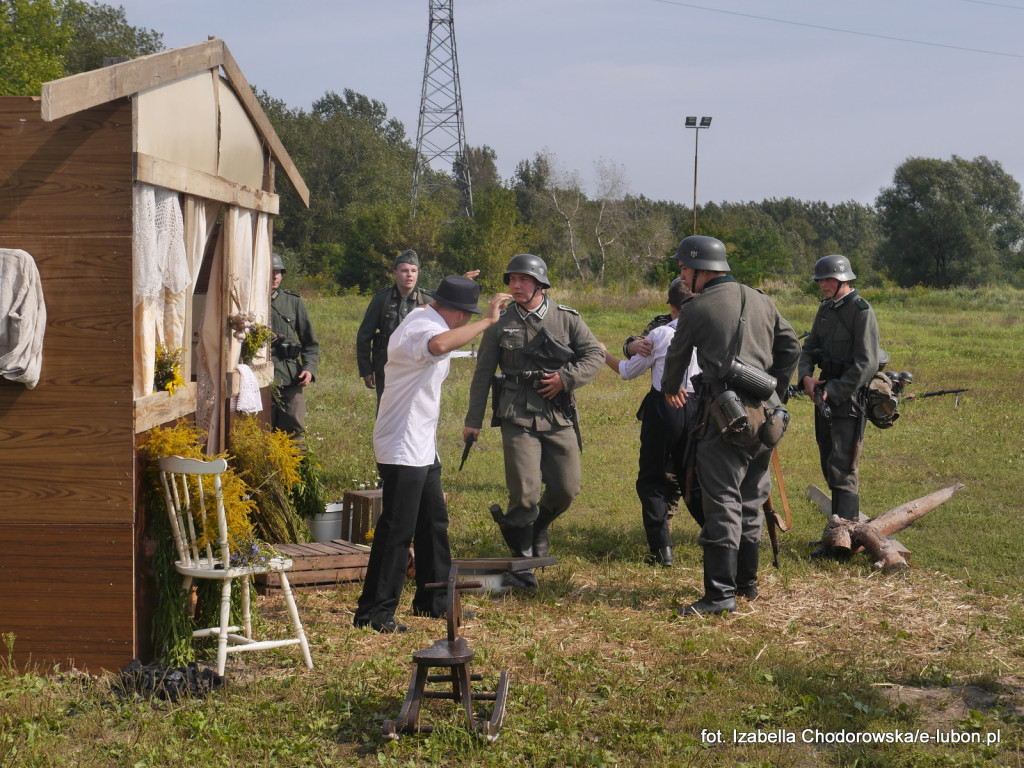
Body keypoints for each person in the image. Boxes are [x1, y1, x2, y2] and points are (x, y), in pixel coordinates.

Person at [354, 276, 511, 633]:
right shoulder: (423, 327)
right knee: (397, 529)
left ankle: (434, 600)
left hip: (421, 444)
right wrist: (487, 321)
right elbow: (438, 346)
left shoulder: (427, 315)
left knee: (433, 523)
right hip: (401, 444)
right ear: (457, 312)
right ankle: (373, 613)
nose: (465, 322)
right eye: (466, 316)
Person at [662, 235, 800, 615]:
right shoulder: (762, 299)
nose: (683, 276)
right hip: (768, 418)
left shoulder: (696, 308)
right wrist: (776, 391)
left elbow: (676, 359)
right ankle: (747, 586)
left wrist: (671, 389)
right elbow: (791, 347)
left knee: (722, 500)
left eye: (685, 268)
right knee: (753, 498)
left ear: (703, 269)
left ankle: (720, 596)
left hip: (724, 419)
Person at [463, 254, 605, 560]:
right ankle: (523, 559)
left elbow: (595, 354)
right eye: (512, 279)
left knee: (566, 489)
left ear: (540, 284)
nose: (516, 285)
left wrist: (566, 379)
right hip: (516, 412)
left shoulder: (567, 317)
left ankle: (537, 527)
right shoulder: (500, 322)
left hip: (558, 412)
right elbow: (483, 373)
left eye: (523, 279)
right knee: (524, 494)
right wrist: (473, 420)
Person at [602, 278, 701, 567]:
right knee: (693, 480)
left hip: (665, 406)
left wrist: (601, 353)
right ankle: (718, 538)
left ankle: (661, 550)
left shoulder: (660, 333)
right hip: (698, 407)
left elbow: (626, 371)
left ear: (671, 306)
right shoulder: (712, 330)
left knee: (652, 480)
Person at [797, 254, 880, 522]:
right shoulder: (825, 310)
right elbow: (809, 348)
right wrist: (806, 377)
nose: (823, 284)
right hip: (822, 391)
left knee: (843, 466)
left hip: (848, 396)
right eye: (820, 280)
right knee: (828, 460)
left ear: (844, 279)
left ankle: (846, 534)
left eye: (829, 279)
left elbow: (867, 363)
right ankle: (837, 531)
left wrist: (834, 391)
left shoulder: (860, 311)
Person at [356, 249, 427, 409]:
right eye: (404, 270)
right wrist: (366, 369)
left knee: (415, 411)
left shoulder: (427, 300)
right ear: (395, 273)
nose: (410, 275)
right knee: (386, 411)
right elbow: (364, 336)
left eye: (413, 271)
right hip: (387, 367)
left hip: (417, 368)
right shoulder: (382, 299)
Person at [270, 252, 320, 445]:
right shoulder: (249, 301)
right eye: (271, 271)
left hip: (289, 377)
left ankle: (295, 472)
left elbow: (310, 341)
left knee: (294, 429)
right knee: (260, 428)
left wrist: (309, 368)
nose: (275, 276)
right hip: (257, 380)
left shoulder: (293, 301)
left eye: (278, 272)